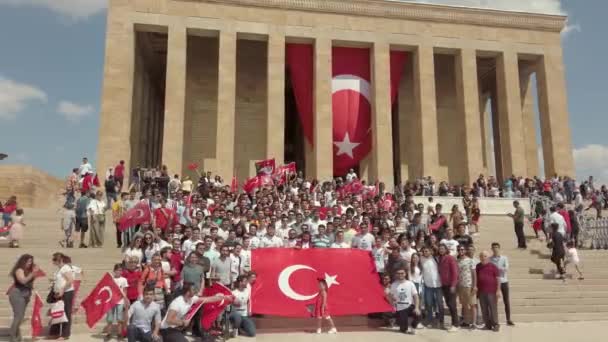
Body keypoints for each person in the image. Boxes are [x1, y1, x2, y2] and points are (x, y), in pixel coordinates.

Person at [159, 282, 227, 342]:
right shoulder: (177, 303)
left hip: (177, 329)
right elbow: (169, 320)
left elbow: (207, 299)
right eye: (193, 289)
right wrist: (182, 322)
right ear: (188, 292)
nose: (196, 291)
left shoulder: (192, 299)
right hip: (167, 329)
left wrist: (222, 297)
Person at [8, 254, 40, 342]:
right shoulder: (19, 270)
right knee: (18, 316)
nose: (30, 263)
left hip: (25, 295)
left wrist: (33, 274)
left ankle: (16, 335)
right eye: (28, 261)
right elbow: (23, 281)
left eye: (31, 261)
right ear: (23, 261)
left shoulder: (28, 271)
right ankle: (12, 336)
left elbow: (29, 283)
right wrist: (32, 273)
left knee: (20, 316)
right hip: (17, 294)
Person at [49, 252, 75, 340]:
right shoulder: (59, 269)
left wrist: (62, 290)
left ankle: (65, 334)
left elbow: (70, 280)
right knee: (57, 311)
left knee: (66, 312)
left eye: (54, 260)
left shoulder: (65, 268)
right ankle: (55, 332)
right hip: (58, 293)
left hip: (67, 292)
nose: (53, 262)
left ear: (58, 260)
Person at [387, 267, 420, 335]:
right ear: (396, 274)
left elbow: (416, 296)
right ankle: (401, 325)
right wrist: (392, 305)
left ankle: (413, 327)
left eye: (402, 273)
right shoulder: (394, 284)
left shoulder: (410, 283)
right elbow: (389, 296)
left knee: (419, 314)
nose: (400, 275)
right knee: (403, 330)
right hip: (400, 308)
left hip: (410, 306)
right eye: (398, 273)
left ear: (405, 274)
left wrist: (416, 308)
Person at [419, 246, 443, 328]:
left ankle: (441, 320)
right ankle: (429, 319)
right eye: (424, 251)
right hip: (428, 285)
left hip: (438, 285)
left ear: (431, 251)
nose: (425, 252)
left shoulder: (436, 259)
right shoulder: (421, 259)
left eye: (427, 251)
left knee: (440, 303)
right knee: (428, 304)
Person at [103, 264, 129, 339]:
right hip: (110, 301)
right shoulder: (110, 279)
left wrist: (125, 300)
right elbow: (106, 289)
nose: (119, 272)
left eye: (120, 270)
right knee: (109, 318)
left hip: (120, 301)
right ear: (114, 271)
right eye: (117, 270)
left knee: (119, 318)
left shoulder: (124, 279)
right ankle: (108, 333)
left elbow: (125, 291)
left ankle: (119, 333)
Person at [489, 242, 514, 325]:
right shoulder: (490, 259)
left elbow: (506, 268)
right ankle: (495, 320)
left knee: (506, 301)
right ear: (492, 249)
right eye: (494, 247)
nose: (495, 249)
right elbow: (490, 271)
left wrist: (496, 269)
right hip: (494, 283)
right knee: (494, 302)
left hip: (504, 281)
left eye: (497, 247)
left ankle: (508, 319)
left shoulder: (504, 258)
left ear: (499, 248)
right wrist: (498, 269)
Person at [476, 251, 500, 332]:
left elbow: (498, 279)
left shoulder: (493, 266)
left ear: (488, 257)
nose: (483, 258)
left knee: (493, 309)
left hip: (491, 291)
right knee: (484, 309)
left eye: (485, 256)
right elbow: (476, 278)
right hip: (481, 291)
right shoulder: (478, 266)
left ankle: (496, 324)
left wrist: (498, 290)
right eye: (482, 256)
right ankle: (488, 325)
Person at [438, 244, 459, 331]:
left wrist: (453, 285)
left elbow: (455, 272)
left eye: (443, 248)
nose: (441, 250)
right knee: (449, 304)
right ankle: (453, 323)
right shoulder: (440, 258)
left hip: (451, 285)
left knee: (452, 304)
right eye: (440, 249)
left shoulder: (450, 258)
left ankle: (456, 324)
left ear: (446, 249)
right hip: (444, 285)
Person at [456, 245, 476, 328]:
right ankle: (466, 321)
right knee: (464, 305)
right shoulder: (457, 261)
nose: (461, 251)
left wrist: (474, 285)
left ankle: (474, 322)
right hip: (461, 285)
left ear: (465, 251)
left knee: (472, 304)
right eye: (459, 250)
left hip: (469, 285)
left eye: (462, 249)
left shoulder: (470, 260)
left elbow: (474, 274)